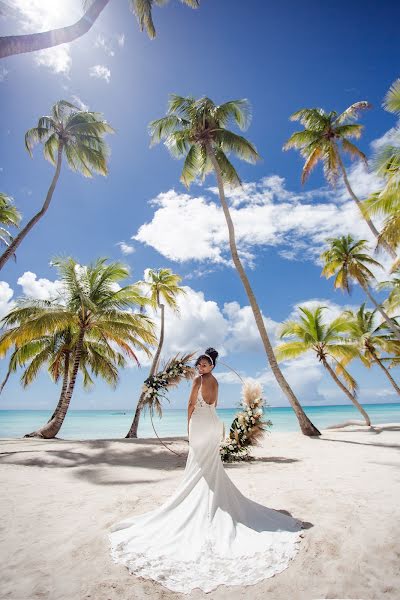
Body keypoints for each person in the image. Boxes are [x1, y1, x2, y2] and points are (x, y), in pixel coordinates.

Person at [108, 347, 304, 594]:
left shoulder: (197, 381)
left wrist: (188, 427)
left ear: (211, 365)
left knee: (199, 464)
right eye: (199, 365)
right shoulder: (217, 382)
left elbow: (191, 405)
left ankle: (204, 501)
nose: (201, 368)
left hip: (201, 424)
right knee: (209, 465)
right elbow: (215, 404)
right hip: (213, 423)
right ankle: (211, 497)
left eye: (204, 364)